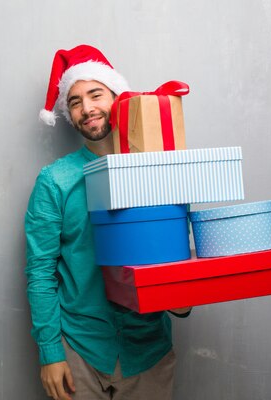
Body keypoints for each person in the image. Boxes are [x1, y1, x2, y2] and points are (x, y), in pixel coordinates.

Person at [25, 44, 192, 400]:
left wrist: (182, 293)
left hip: (149, 350)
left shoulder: (158, 166)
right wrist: (50, 353)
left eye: (95, 94)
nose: (86, 108)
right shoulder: (55, 180)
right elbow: (40, 272)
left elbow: (177, 244)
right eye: (74, 101)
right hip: (81, 351)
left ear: (117, 97)